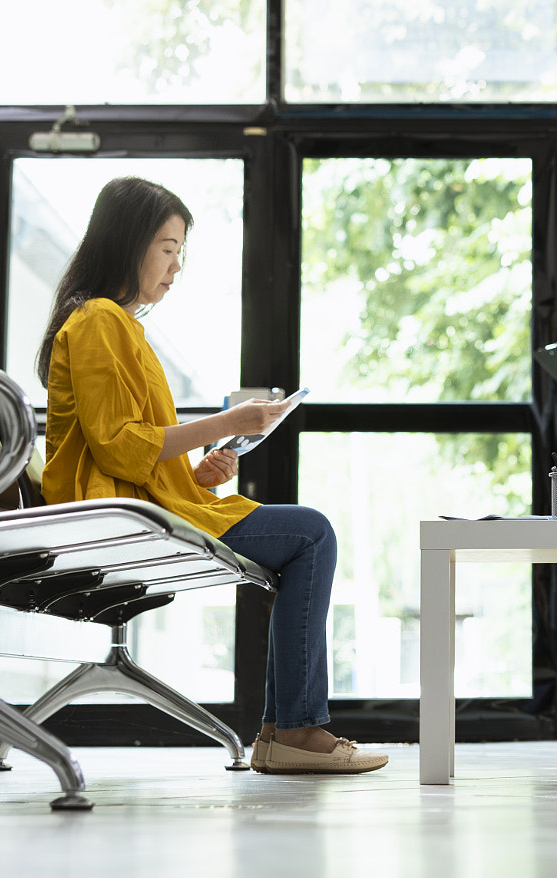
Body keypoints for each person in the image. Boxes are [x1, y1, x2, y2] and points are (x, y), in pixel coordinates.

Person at [38, 175, 386, 776]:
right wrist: (232, 419)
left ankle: (287, 731)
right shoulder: (98, 320)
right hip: (113, 517)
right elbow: (121, 451)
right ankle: (294, 731)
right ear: (128, 244)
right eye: (167, 249)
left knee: (307, 536)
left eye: (181, 252)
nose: (176, 267)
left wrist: (196, 477)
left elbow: (128, 452)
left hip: (136, 504)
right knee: (312, 534)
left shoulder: (121, 326)